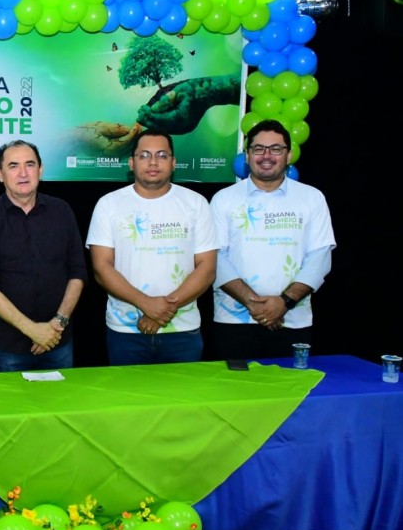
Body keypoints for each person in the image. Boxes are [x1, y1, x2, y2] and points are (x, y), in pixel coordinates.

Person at [86, 130, 217, 366]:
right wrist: (146, 304)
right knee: (129, 391)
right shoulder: (108, 205)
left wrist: (163, 310)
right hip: (126, 331)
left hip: (182, 331)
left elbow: (207, 268)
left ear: (174, 162)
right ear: (131, 162)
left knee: (184, 391)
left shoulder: (196, 203)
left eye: (162, 155)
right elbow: (101, 268)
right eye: (144, 155)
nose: (153, 162)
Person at [210, 119, 336, 360]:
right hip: (234, 320)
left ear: (289, 155)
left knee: (291, 383)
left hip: (293, 319)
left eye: (276, 149)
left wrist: (284, 303)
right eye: (258, 148)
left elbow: (320, 258)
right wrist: (255, 304)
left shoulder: (312, 198)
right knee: (235, 384)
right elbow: (216, 257)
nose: (266, 155)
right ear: (247, 155)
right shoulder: (223, 199)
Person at [0, 139, 87, 372]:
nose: (23, 173)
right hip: (7, 347)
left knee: (60, 397)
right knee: (9, 398)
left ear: (40, 170)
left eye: (30, 164)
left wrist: (58, 323)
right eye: (13, 166)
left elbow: (78, 271)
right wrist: (32, 330)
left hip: (58, 339)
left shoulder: (62, 211)